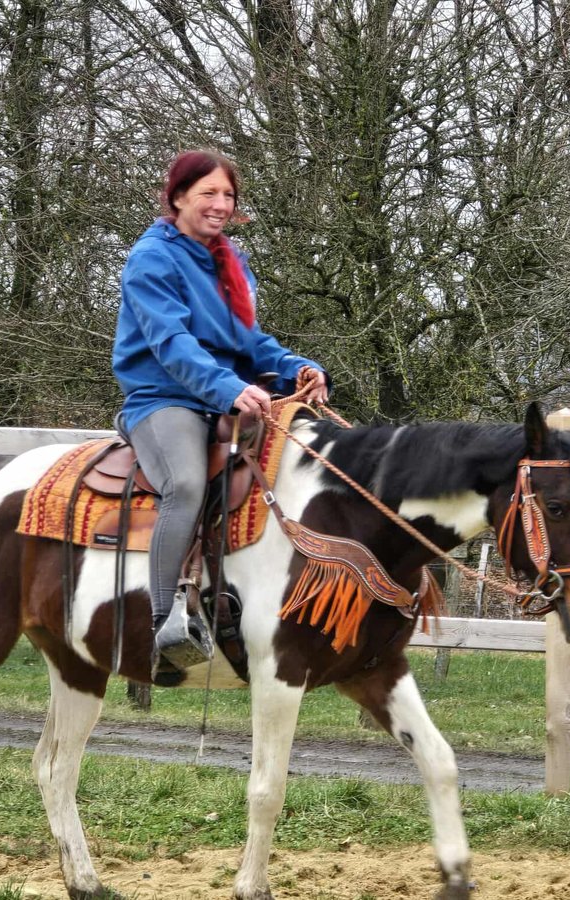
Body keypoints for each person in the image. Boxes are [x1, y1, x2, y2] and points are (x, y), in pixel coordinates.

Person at [113, 149, 328, 671]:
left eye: (228, 195)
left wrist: (296, 368)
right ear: (178, 197)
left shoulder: (231, 260)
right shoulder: (152, 258)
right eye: (208, 192)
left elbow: (250, 341)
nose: (220, 204)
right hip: (165, 398)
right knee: (185, 485)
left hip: (226, 398)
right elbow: (171, 342)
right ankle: (164, 629)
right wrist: (227, 388)